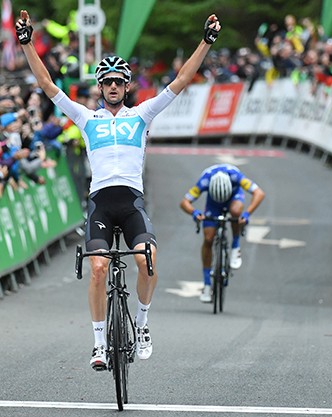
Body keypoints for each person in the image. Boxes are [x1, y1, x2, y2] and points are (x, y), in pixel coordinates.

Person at [16, 9, 221, 370]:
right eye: (107, 81)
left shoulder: (142, 114)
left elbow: (182, 79)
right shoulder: (85, 117)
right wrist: (28, 44)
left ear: (127, 86)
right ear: (100, 87)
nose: (112, 86)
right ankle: (98, 344)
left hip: (130, 202)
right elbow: (48, 85)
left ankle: (141, 323)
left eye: (118, 81)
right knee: (97, 268)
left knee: (147, 261)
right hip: (100, 203)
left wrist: (205, 42)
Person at [180, 164, 265, 303]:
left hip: (234, 196)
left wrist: (247, 213)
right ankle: (207, 285)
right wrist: (194, 213)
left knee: (236, 212)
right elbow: (184, 202)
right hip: (213, 203)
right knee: (208, 238)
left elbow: (259, 193)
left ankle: (235, 246)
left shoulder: (236, 177)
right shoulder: (205, 180)